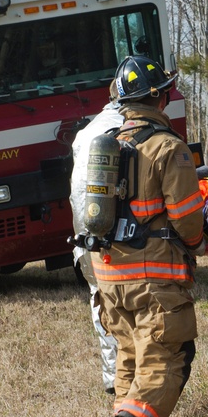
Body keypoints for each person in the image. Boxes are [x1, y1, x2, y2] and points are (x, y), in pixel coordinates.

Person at [90, 56, 205, 417]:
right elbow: (188, 219)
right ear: (159, 97)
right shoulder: (168, 148)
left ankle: (125, 415)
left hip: (107, 275)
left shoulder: (106, 147)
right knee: (168, 351)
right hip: (153, 274)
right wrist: (195, 242)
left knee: (129, 349)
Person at [69, 86, 124, 395]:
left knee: (100, 301)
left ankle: (113, 377)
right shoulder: (129, 128)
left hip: (87, 237)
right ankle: (130, 382)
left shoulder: (88, 132)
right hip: (121, 239)